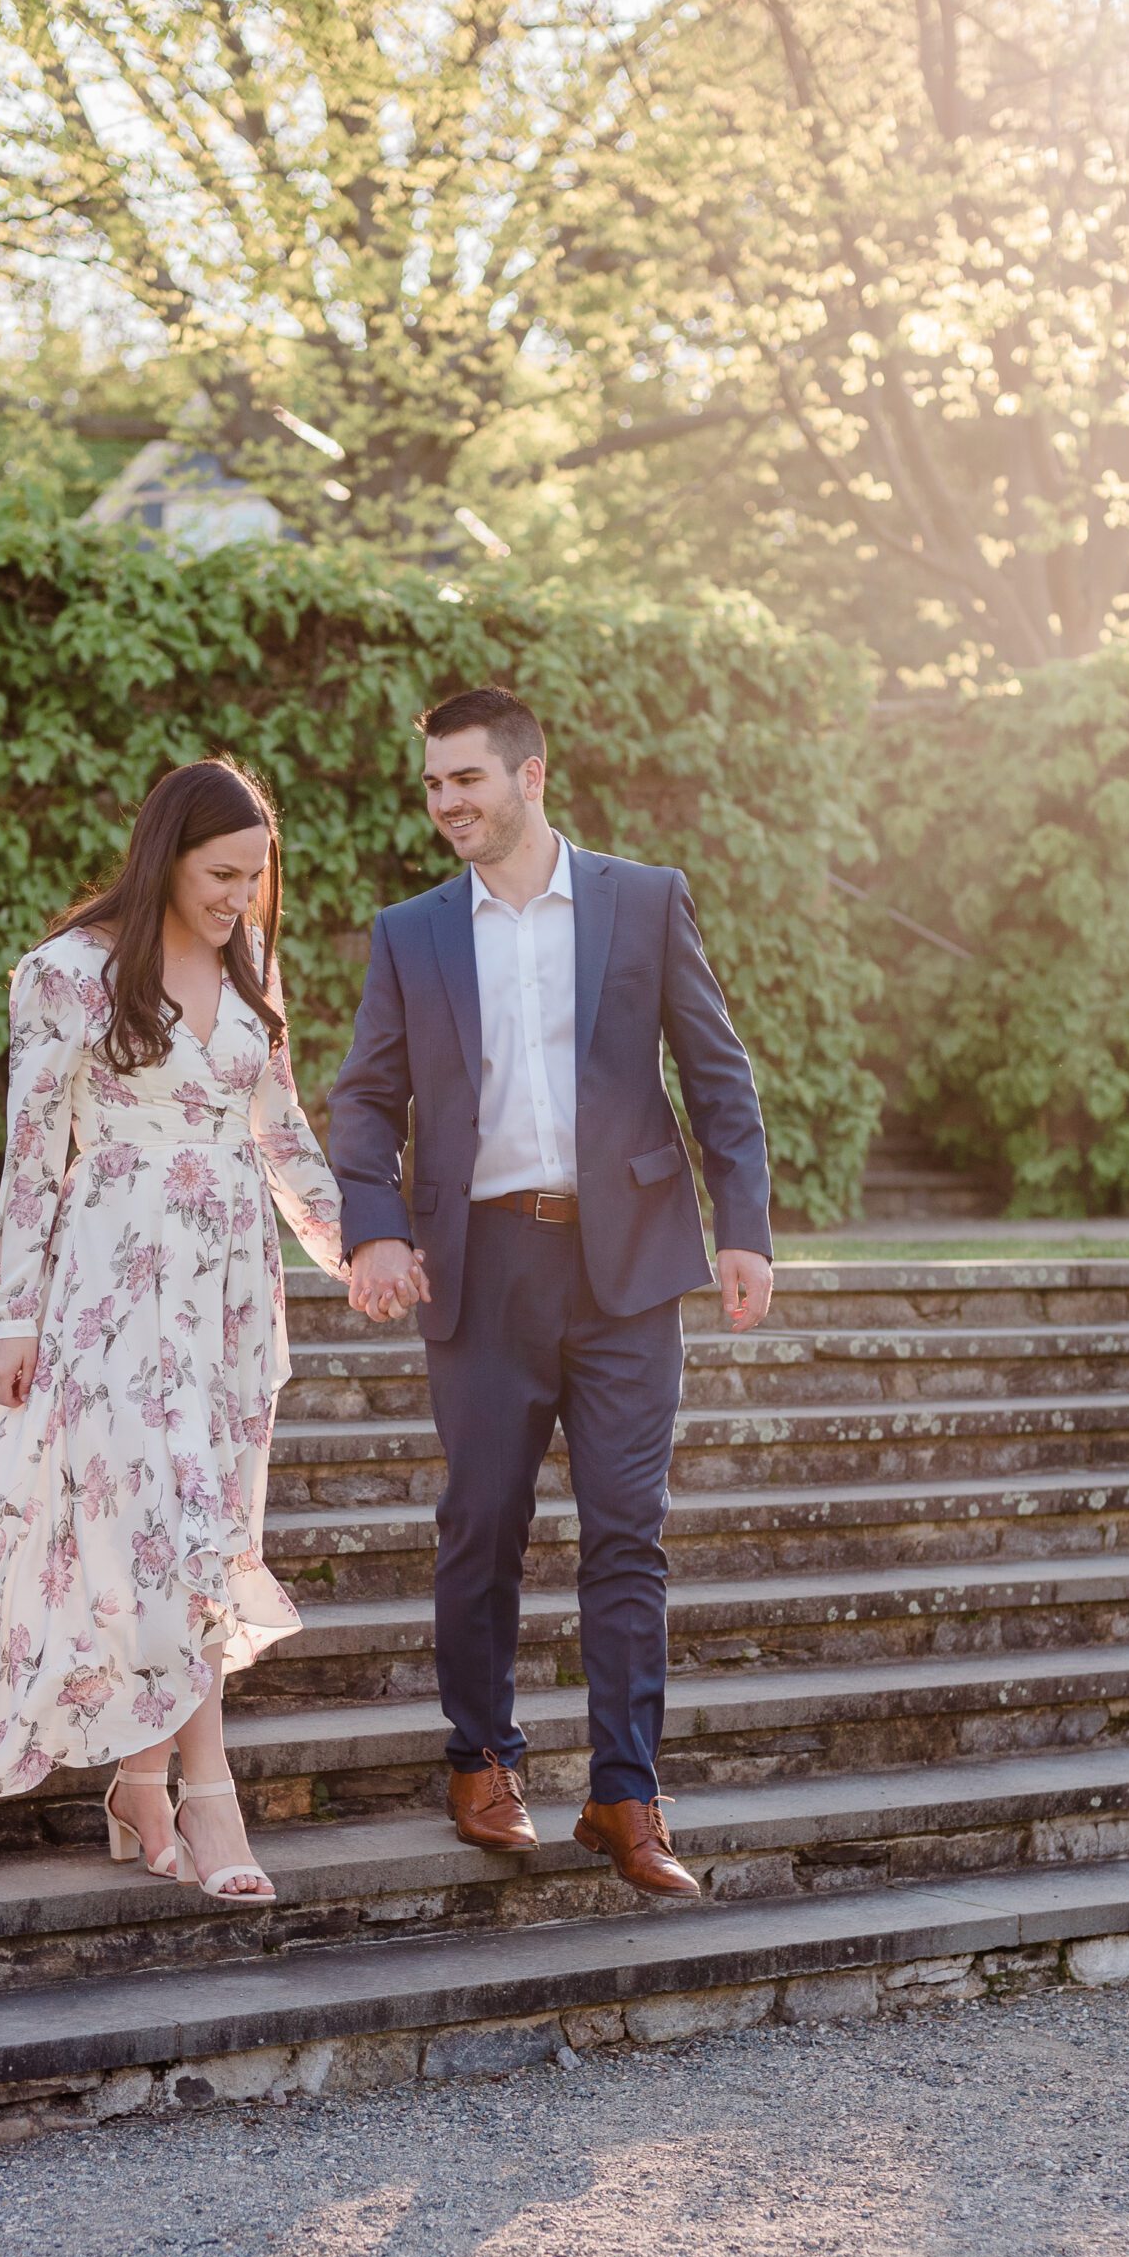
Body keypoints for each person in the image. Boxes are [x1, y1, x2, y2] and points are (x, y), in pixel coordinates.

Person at [0, 760, 406, 1902]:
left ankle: (139, 1784)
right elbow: (31, 1154)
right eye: (220, 874)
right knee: (173, 1527)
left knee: (198, 1526)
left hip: (229, 1298)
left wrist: (354, 1243)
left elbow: (283, 1131)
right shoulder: (66, 976)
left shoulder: (249, 967)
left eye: (256, 877)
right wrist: (10, 1313)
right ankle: (208, 1798)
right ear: (163, 856)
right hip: (112, 1288)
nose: (241, 898)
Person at [328, 687, 774, 1898]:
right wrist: (371, 1229)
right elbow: (364, 1099)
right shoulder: (410, 931)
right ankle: (480, 1760)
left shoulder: (642, 898)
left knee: (628, 1532)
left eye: (463, 780)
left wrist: (744, 1230)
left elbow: (714, 1071)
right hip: (479, 1266)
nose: (444, 805)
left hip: (627, 1267)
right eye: (430, 786)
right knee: (482, 1526)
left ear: (530, 776)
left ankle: (626, 1795)